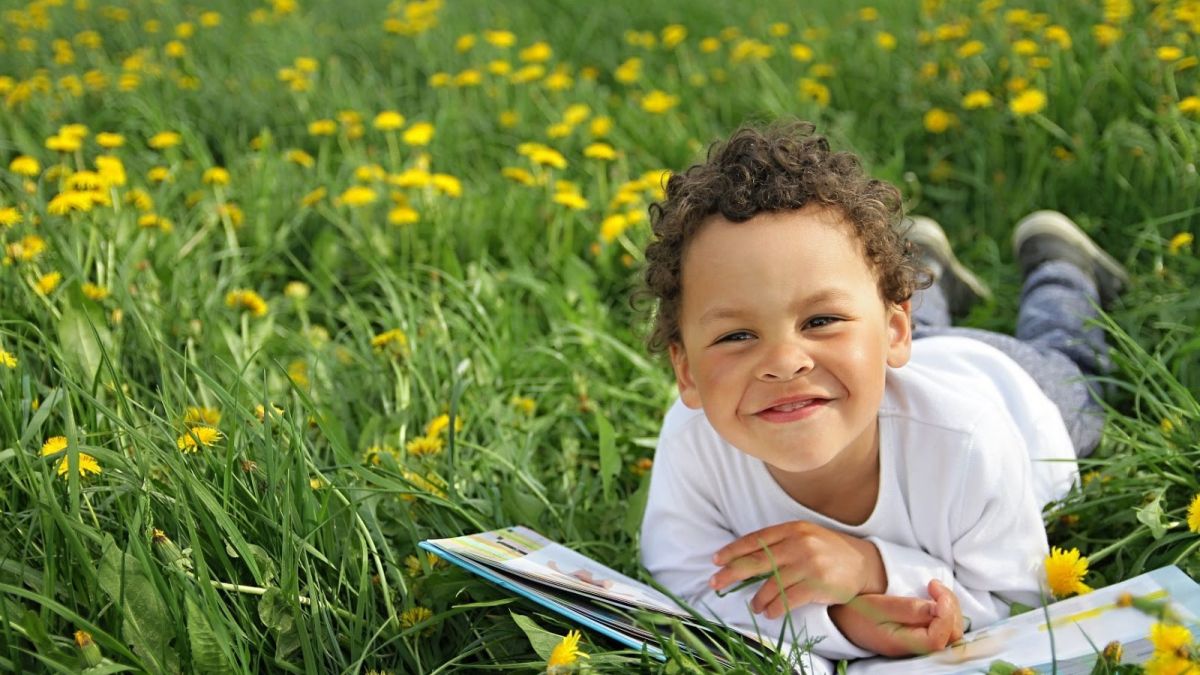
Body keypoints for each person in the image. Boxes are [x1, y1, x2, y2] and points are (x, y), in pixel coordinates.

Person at [637, 121, 1128, 669]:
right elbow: (683, 582)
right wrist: (844, 619)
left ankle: (1061, 265)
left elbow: (1019, 600)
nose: (783, 362)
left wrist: (870, 570)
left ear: (896, 331)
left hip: (1019, 387)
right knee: (879, 308)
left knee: (1074, 359)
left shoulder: (968, 442)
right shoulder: (693, 446)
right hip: (882, 368)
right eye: (735, 336)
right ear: (685, 371)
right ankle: (923, 266)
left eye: (821, 319)